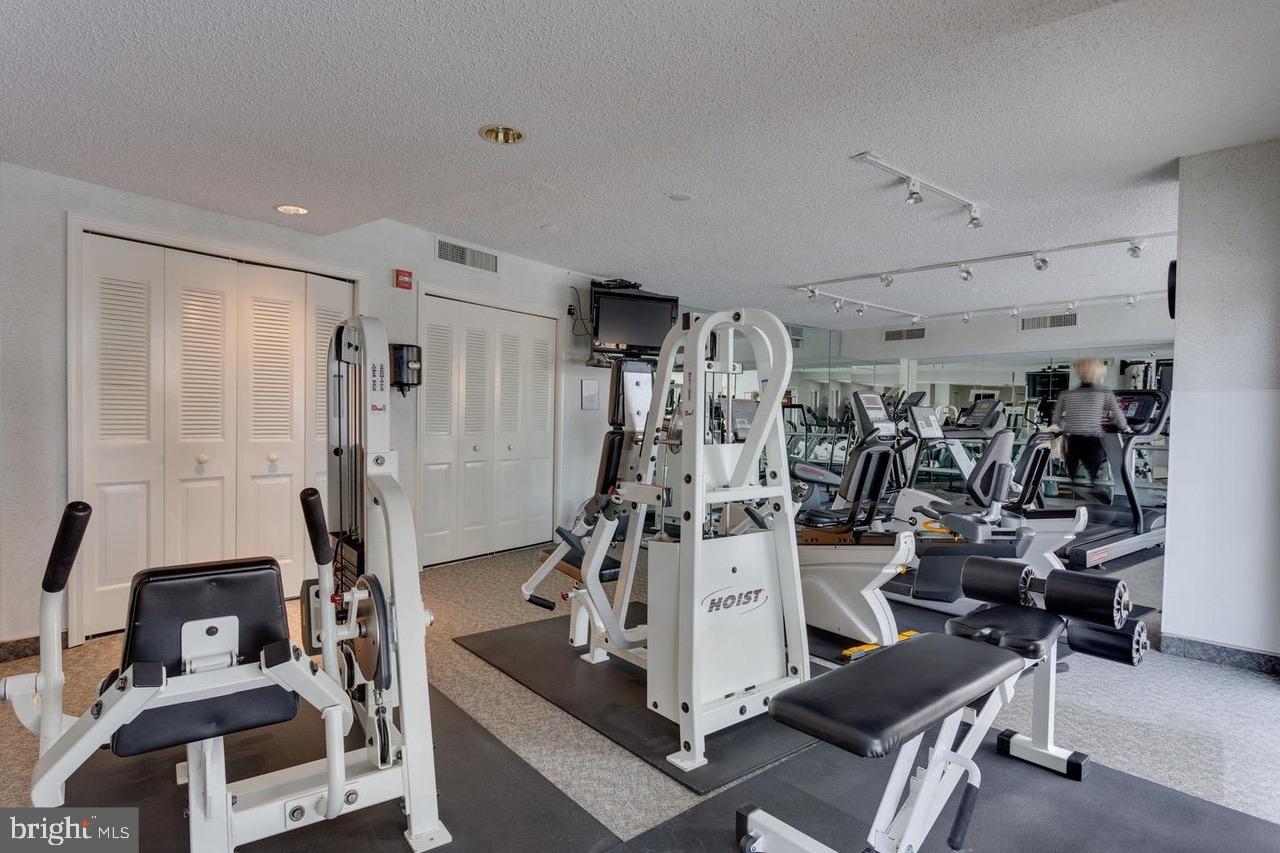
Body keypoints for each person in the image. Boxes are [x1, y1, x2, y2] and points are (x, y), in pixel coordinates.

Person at [1051, 357, 1131, 502]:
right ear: (1098, 374)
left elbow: (1057, 420)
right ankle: (1100, 491)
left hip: (1074, 440)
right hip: (1092, 439)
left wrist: (1062, 429)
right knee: (1099, 474)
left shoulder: (1067, 394)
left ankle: (1078, 490)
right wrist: (1126, 428)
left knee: (1075, 474)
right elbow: (1118, 417)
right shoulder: (1104, 393)